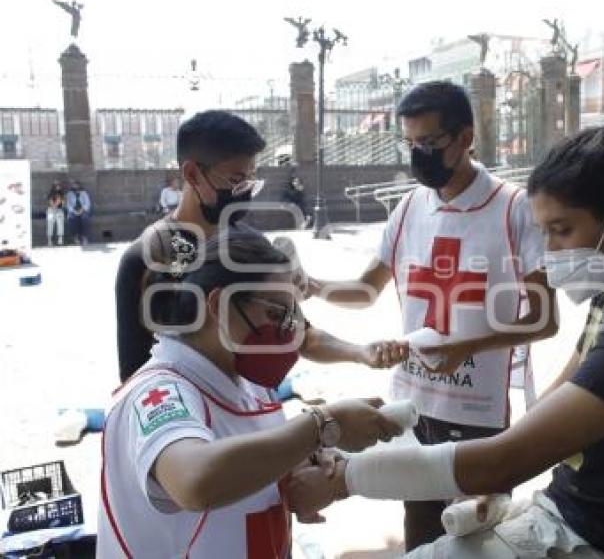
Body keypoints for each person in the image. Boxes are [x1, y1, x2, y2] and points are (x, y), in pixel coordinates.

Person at [294, 112, 604, 558]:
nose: (549, 253)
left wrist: (343, 479)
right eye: (544, 232)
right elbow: (558, 397)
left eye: (562, 230)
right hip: (574, 512)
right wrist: (500, 480)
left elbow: (505, 456)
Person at [306, 80, 557, 551]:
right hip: (413, 407)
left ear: (465, 138)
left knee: (476, 538)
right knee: (420, 536)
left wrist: (467, 346)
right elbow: (365, 289)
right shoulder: (407, 208)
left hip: (479, 413)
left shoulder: (512, 208)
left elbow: (545, 320)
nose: (419, 154)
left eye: (431, 143)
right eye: (411, 144)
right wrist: (313, 286)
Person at [97, 228, 405, 558]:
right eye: (275, 314)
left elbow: (250, 458)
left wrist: (301, 466)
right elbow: (195, 481)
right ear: (218, 305)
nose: (287, 330)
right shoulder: (158, 393)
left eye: (290, 316)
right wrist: (324, 425)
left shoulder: (251, 384)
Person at [116, 110, 407, 385]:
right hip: (187, 423)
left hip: (249, 410)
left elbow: (302, 335)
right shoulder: (149, 259)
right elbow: (135, 378)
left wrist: (360, 353)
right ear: (192, 174)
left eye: (250, 181)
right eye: (235, 181)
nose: (243, 193)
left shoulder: (249, 247)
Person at [279, 154, 310, 227]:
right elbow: (288, 193)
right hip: (287, 200)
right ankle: (303, 221)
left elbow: (301, 195)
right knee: (296, 206)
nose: (295, 173)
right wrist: (297, 190)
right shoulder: (288, 181)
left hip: (295, 199)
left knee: (302, 203)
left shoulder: (297, 180)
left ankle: (306, 219)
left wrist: (300, 190)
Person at [65, 180, 92, 245]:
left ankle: (84, 237)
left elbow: (87, 203)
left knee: (85, 218)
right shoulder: (69, 194)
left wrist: (82, 210)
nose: (75, 186)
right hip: (73, 210)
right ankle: (75, 238)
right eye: (74, 185)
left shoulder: (84, 193)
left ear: (79, 185)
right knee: (72, 218)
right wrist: (74, 211)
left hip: (83, 210)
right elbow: (68, 204)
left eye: (76, 185)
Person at [46, 181, 65, 246]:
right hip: (51, 210)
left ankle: (60, 239)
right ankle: (49, 240)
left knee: (60, 224)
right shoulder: (50, 194)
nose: (58, 186)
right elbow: (50, 201)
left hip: (59, 210)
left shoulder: (62, 193)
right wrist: (54, 206)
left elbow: (62, 203)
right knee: (50, 224)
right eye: (57, 185)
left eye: (59, 185)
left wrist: (59, 202)